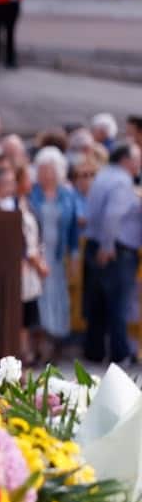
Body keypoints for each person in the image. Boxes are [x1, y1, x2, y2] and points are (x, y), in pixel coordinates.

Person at [82, 142, 142, 365]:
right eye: (137, 158)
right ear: (126, 160)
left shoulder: (104, 176)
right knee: (119, 303)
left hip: (96, 244)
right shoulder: (122, 181)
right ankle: (120, 353)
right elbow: (113, 216)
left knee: (98, 302)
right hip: (116, 250)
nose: (139, 163)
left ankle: (94, 350)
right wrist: (108, 246)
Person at [28, 147, 81, 356]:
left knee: (57, 297)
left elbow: (74, 228)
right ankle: (39, 344)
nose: (46, 174)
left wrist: (75, 256)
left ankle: (55, 341)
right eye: (42, 169)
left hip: (57, 256)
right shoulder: (33, 193)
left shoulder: (67, 194)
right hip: (38, 253)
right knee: (38, 297)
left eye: (50, 169)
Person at [13, 165, 48, 365]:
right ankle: (22, 355)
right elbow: (22, 239)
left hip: (32, 268)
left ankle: (27, 353)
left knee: (29, 314)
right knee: (22, 315)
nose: (32, 183)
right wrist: (37, 262)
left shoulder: (28, 203)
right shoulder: (14, 205)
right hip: (24, 267)